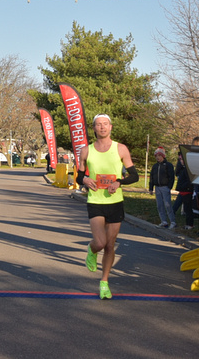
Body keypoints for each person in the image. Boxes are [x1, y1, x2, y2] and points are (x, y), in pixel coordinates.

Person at [77, 114, 138, 300]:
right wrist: (85, 179)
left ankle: (104, 282)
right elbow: (79, 176)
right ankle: (91, 249)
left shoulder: (120, 149)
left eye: (105, 124)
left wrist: (119, 182)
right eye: (98, 125)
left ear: (111, 127)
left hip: (115, 202)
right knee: (101, 243)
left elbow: (134, 176)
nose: (102, 127)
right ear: (94, 128)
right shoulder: (86, 151)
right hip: (95, 201)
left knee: (110, 245)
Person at [149, 147, 176, 229]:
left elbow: (171, 176)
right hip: (157, 187)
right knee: (159, 205)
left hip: (165, 187)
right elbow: (152, 177)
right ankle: (163, 221)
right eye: (156, 156)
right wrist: (151, 188)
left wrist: (169, 187)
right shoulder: (155, 166)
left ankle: (172, 221)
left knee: (167, 205)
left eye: (159, 156)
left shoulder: (168, 165)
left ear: (163, 156)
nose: (158, 158)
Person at [173, 150, 194, 230]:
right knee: (185, 208)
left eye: (182, 160)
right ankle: (187, 223)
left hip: (187, 191)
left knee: (188, 209)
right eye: (180, 160)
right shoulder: (183, 169)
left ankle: (190, 224)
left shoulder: (187, 170)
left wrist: (184, 186)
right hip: (183, 191)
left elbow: (189, 181)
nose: (181, 161)